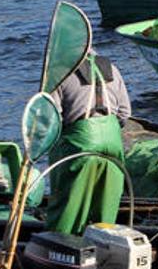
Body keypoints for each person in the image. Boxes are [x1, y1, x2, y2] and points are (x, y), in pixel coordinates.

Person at [47, 51, 130, 235]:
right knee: (106, 207)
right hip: (113, 142)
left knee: (68, 204)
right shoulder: (112, 69)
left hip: (80, 143)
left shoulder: (58, 73)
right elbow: (124, 113)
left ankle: (62, 242)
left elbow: (50, 120)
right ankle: (104, 246)